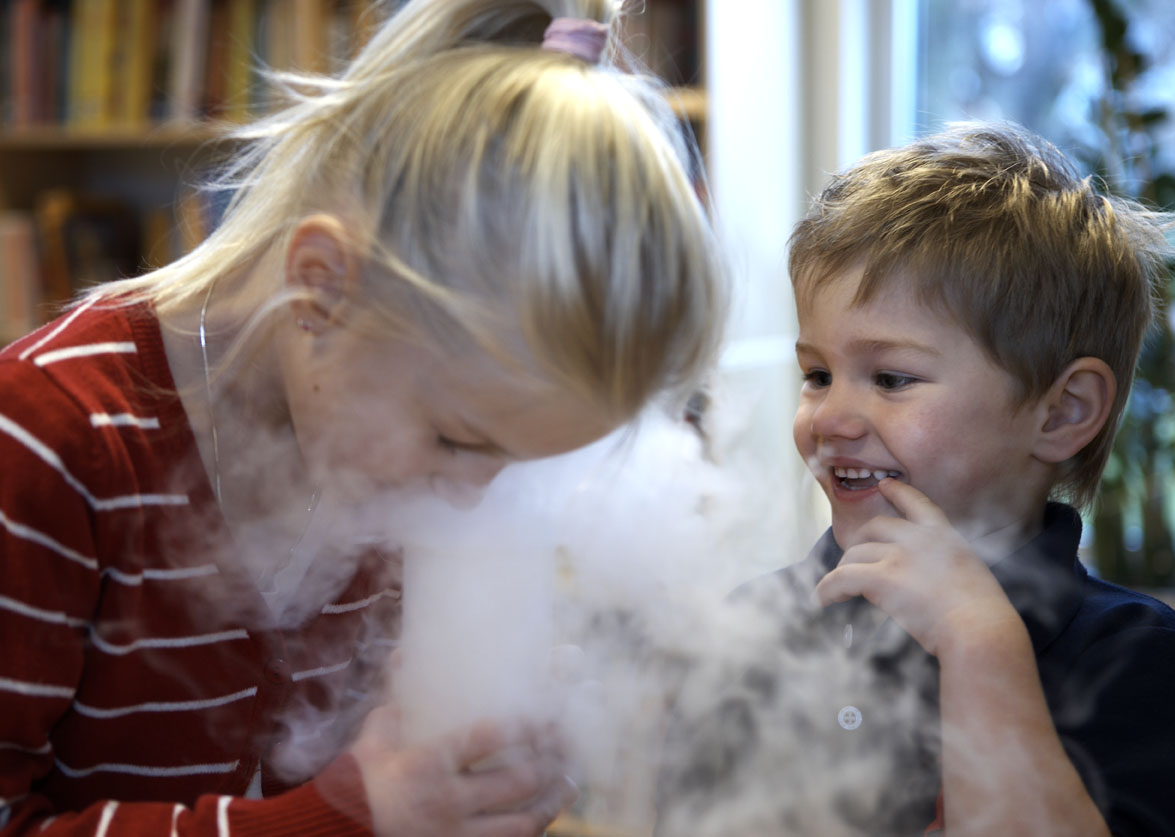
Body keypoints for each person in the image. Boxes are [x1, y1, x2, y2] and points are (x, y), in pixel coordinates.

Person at [0, 1, 726, 835]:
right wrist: (344, 815)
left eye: (521, 462)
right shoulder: (49, 438)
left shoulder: (372, 450)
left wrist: (457, 778)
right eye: (458, 439)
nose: (469, 498)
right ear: (323, 289)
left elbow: (343, 758)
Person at [655, 122, 1175, 836]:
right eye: (818, 374)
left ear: (1063, 412)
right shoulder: (746, 629)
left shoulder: (1129, 653)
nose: (832, 417)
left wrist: (978, 640)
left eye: (890, 378)